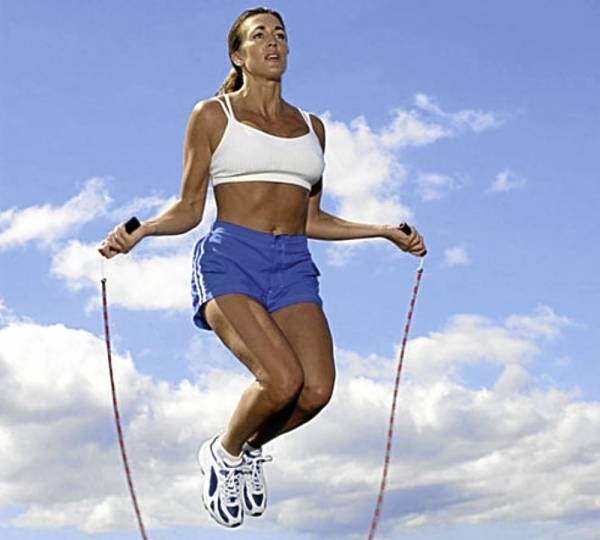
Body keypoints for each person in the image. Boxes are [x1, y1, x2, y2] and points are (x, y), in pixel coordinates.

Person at [98, 6, 426, 529]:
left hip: (292, 264)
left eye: (280, 34)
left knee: (316, 390)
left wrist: (382, 230)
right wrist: (142, 232)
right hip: (231, 258)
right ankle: (223, 451)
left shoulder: (313, 128)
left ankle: (248, 448)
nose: (272, 42)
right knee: (281, 379)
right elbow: (189, 208)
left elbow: (311, 219)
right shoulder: (213, 115)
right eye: (259, 35)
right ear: (238, 55)